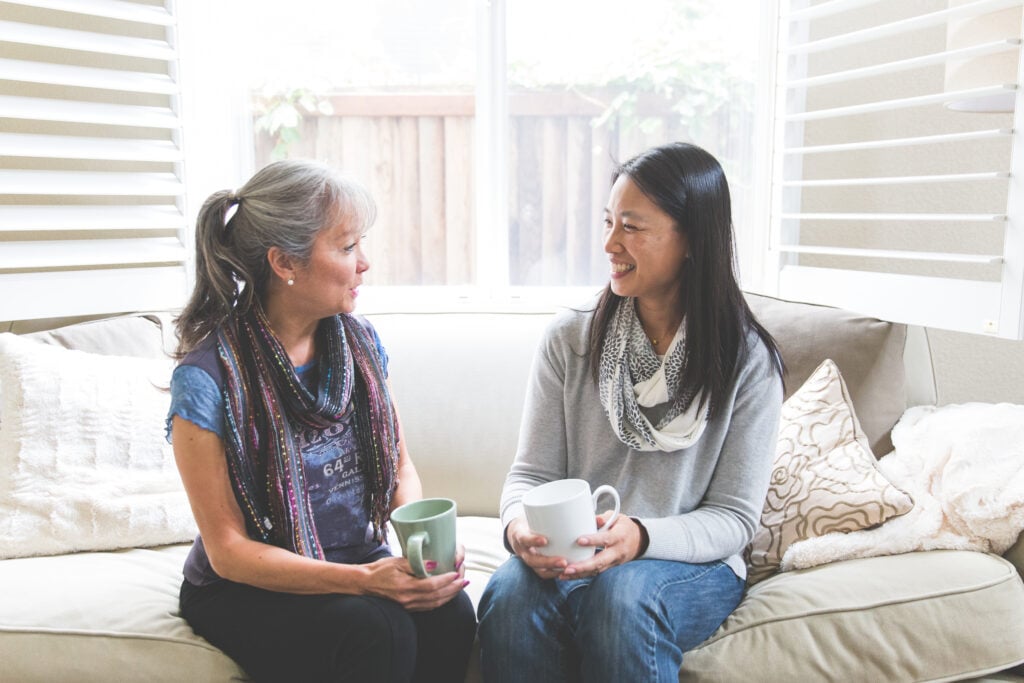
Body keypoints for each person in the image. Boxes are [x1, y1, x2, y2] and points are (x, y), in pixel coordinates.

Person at [476, 142, 785, 682]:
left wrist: (640, 537)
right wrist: (517, 525)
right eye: (608, 222)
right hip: (578, 554)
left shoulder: (746, 361)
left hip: (689, 566)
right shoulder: (570, 340)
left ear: (691, 240)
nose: (610, 244)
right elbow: (531, 475)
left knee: (621, 595)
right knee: (509, 593)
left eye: (633, 228)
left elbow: (734, 519)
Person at [166, 159, 476, 683]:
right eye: (348, 246)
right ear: (286, 262)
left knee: (449, 612)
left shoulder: (361, 346)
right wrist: (364, 581)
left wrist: (425, 549)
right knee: (376, 628)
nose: (365, 264)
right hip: (244, 586)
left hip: (357, 554)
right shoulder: (208, 378)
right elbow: (229, 553)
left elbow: (400, 467)